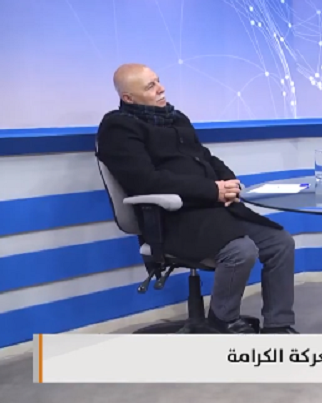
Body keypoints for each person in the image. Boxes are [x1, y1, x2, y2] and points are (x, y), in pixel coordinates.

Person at [96, 63, 298, 334]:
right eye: (150, 86)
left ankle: (278, 326)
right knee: (240, 251)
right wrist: (212, 191)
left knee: (280, 242)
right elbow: (146, 181)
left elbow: (206, 158)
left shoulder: (176, 119)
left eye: (158, 81)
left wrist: (229, 183)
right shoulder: (118, 128)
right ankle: (221, 322)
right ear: (128, 98)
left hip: (212, 211)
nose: (161, 89)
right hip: (171, 219)